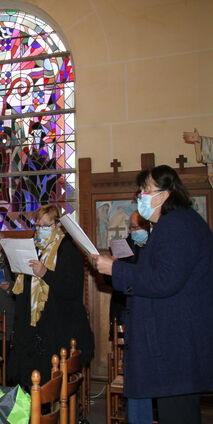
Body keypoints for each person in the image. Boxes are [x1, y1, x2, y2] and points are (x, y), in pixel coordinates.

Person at [92, 165, 213, 424]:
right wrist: (116, 270)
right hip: (173, 343)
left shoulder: (177, 225)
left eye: (146, 190)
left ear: (165, 194)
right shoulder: (176, 223)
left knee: (178, 415)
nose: (141, 196)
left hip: (176, 344)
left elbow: (164, 280)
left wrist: (116, 268)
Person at [10, 204, 94, 387]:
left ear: (57, 225)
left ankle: (53, 413)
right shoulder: (33, 247)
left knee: (53, 381)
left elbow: (71, 289)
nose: (40, 230)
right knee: (30, 376)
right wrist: (20, 274)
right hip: (34, 325)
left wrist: (45, 273)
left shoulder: (67, 250)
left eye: (45, 226)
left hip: (58, 326)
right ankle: (34, 412)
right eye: (38, 226)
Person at [105, 210, 153, 424]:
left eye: (138, 227)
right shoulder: (125, 245)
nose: (135, 232)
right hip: (126, 309)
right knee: (133, 366)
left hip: (149, 314)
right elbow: (112, 282)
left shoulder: (156, 247)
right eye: (132, 227)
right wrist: (113, 268)